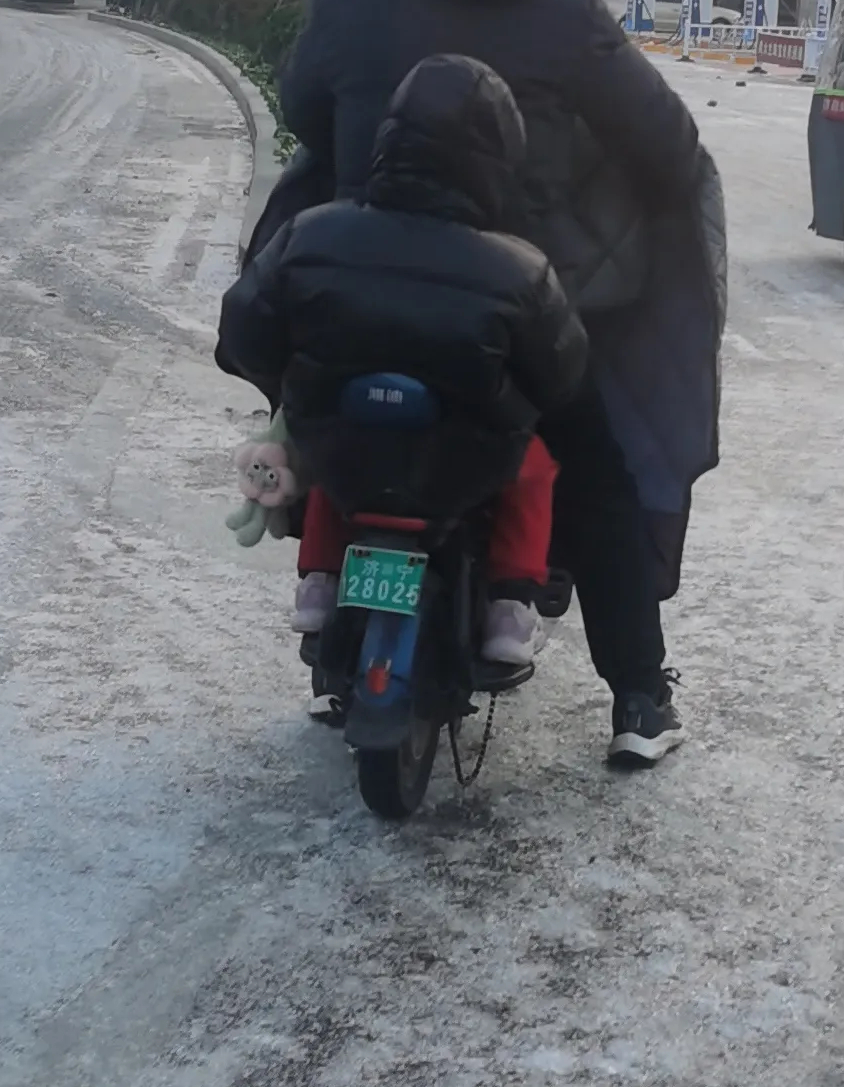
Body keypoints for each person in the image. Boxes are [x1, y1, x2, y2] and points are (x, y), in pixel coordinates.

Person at [270, 0, 721, 770]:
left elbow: (302, 107)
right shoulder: (565, 13)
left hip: (357, 304)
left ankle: (329, 644)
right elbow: (672, 152)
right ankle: (638, 697)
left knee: (317, 428)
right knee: (595, 471)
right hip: (513, 320)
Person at [216, 57, 587, 677]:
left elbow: (246, 329)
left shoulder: (310, 235)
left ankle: (318, 581)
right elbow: (562, 374)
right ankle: (510, 605)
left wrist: (290, 384)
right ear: (497, 159)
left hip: (344, 443)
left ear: (386, 141)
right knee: (535, 467)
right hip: (468, 460)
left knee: (336, 454)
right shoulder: (520, 271)